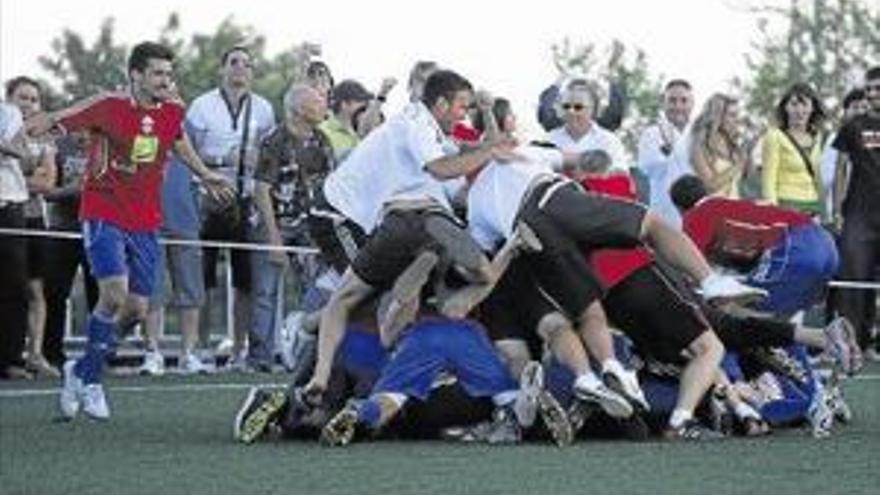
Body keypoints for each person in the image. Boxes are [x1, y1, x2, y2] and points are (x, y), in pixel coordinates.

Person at [27, 41, 233, 420]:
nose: (165, 81)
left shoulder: (172, 110)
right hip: (103, 210)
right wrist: (43, 121)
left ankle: (83, 369)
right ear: (135, 75)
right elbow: (68, 115)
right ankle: (91, 383)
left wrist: (204, 174)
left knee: (137, 308)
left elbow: (178, 141)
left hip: (145, 219)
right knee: (114, 293)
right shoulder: (110, 106)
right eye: (157, 74)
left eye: (169, 74)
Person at [302, 70, 525, 400]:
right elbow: (443, 168)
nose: (465, 115)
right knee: (352, 299)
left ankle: (323, 344)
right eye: (462, 107)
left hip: (385, 219)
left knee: (379, 296)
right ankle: (319, 372)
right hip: (338, 212)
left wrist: (488, 116)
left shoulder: (432, 131)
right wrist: (490, 153)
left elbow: (479, 152)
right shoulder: (418, 125)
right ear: (440, 103)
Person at [185, 45, 276, 369]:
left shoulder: (264, 109)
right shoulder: (201, 106)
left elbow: (270, 158)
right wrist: (223, 160)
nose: (240, 69)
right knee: (203, 279)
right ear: (222, 69)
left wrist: (255, 161)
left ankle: (239, 351)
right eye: (234, 62)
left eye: (247, 65)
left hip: (247, 200)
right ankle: (201, 350)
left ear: (252, 72)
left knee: (245, 282)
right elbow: (185, 152)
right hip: (207, 198)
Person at [6, 76, 58, 377]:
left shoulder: (44, 138)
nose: (27, 104)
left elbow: (47, 183)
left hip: (34, 220)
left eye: (33, 99)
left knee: (35, 289)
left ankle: (35, 354)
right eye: (21, 97)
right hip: (5, 219)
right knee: (9, 290)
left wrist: (14, 181)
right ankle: (10, 356)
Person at [831, 66, 880, 358]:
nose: (873, 94)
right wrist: (837, 209)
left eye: (879, 88)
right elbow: (840, 168)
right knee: (854, 281)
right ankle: (854, 345)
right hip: (859, 215)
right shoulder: (853, 125)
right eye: (870, 89)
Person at [761, 82, 827, 216]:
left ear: (813, 108)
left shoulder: (817, 137)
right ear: (785, 107)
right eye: (794, 104)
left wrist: (824, 209)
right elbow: (768, 180)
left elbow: (818, 176)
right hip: (786, 205)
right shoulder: (775, 136)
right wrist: (772, 212)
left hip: (812, 206)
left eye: (805, 104)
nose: (799, 110)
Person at [637, 79, 694, 227]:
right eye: (672, 101)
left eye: (684, 101)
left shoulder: (699, 134)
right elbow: (647, 168)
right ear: (664, 104)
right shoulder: (651, 134)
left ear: (692, 104)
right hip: (664, 215)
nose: (678, 106)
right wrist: (669, 150)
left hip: (696, 213)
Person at [0, 101, 30, 380]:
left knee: (14, 287)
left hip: (8, 207)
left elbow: (18, 150)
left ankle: (11, 359)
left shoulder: (9, 112)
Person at [546, 80, 629, 173]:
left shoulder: (609, 141)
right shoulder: (550, 139)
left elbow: (621, 177)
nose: (571, 111)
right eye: (566, 106)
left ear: (592, 109)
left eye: (578, 107)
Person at [688, 94, 747, 198]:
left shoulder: (731, 144)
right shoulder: (699, 145)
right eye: (732, 115)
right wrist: (738, 165)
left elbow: (743, 177)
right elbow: (710, 186)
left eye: (737, 115)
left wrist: (748, 149)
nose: (737, 120)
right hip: (714, 209)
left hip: (735, 207)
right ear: (718, 117)